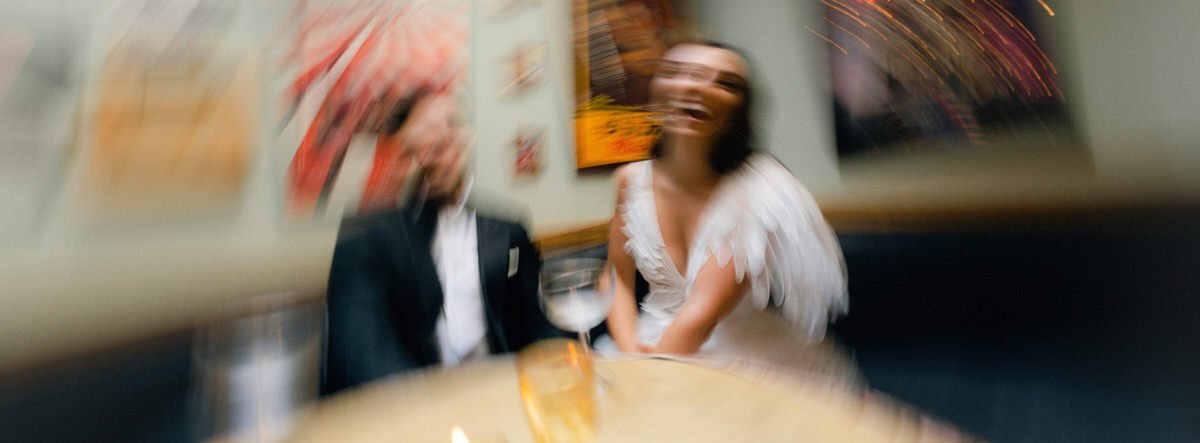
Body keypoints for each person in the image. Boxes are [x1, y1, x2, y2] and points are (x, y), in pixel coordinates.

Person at [602, 41, 850, 369]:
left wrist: (643, 377)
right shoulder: (630, 180)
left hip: (737, 353)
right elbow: (616, 276)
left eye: (725, 83)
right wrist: (628, 349)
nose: (693, 86)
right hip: (644, 343)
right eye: (676, 72)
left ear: (739, 111)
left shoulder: (762, 189)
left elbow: (701, 316)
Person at [323, 92, 556, 395]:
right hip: (419, 409)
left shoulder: (508, 229)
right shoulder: (367, 237)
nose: (443, 141)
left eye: (452, 126)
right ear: (401, 154)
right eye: (428, 136)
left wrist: (565, 367)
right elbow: (365, 360)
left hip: (501, 395)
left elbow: (536, 327)